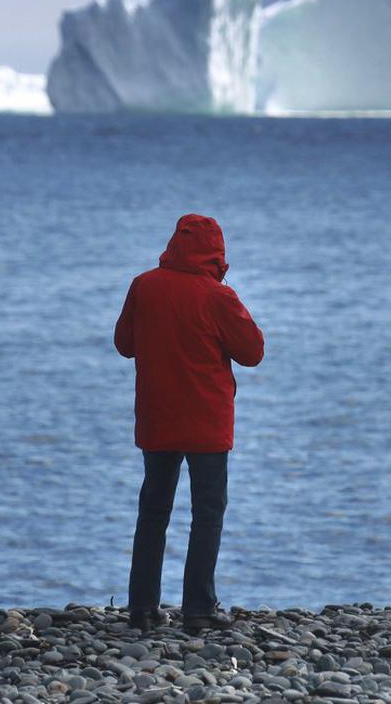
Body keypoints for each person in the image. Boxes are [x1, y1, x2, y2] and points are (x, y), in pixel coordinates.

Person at [114, 214, 265, 633]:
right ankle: (199, 609)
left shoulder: (144, 285)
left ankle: (142, 609)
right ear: (217, 253)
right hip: (206, 421)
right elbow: (252, 352)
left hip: (158, 415)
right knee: (207, 512)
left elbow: (124, 344)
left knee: (153, 511)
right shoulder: (218, 296)